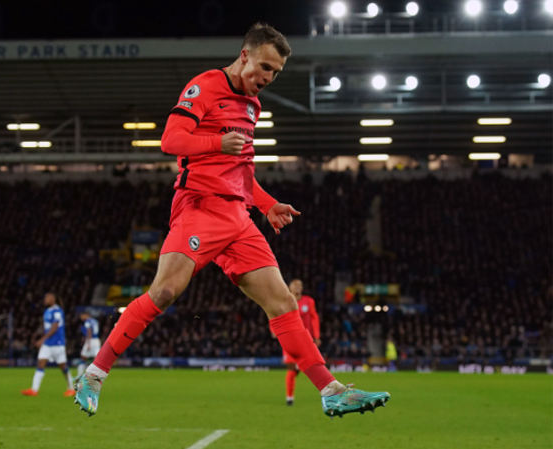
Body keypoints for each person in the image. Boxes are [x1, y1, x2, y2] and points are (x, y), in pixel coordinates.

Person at [73, 23, 390, 419]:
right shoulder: (205, 86)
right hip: (199, 206)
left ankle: (331, 390)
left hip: (239, 219)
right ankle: (94, 374)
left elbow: (240, 172)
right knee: (166, 291)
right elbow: (171, 141)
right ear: (245, 55)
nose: (268, 79)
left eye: (275, 73)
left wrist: (268, 204)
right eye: (264, 67)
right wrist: (215, 143)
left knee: (283, 302)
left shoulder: (253, 107)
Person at [22, 293, 76, 397]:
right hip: (48, 344)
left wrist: (42, 339)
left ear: (52, 299)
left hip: (57, 343)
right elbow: (47, 327)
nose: (45, 299)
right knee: (40, 363)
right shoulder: (47, 311)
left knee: (63, 366)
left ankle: (71, 388)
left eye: (47, 297)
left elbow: (54, 328)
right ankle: (34, 390)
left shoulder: (57, 311)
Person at [282, 279, 320, 406]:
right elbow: (274, 314)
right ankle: (289, 398)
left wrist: (317, 336)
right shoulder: (284, 300)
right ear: (289, 287)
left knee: (313, 367)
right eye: (295, 285)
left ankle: (326, 392)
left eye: (300, 285)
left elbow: (314, 318)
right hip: (289, 339)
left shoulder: (309, 301)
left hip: (306, 340)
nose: (298, 287)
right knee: (292, 370)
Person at [76, 312, 101, 378]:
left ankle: (79, 375)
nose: (81, 317)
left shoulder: (87, 321)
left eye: (81, 315)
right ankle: (97, 375)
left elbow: (89, 331)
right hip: (96, 340)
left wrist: (88, 343)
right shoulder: (95, 321)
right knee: (96, 359)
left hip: (91, 340)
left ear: (86, 315)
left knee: (83, 357)